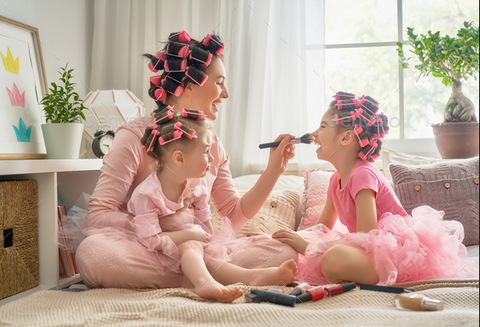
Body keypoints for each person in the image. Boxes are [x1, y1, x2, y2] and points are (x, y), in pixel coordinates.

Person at [75, 30, 298, 289]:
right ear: (191, 86)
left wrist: (274, 170)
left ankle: (205, 274)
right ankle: (219, 275)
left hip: (197, 247)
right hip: (145, 247)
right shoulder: (133, 137)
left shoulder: (211, 144)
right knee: (92, 254)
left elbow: (233, 215)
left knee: (285, 251)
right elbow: (98, 216)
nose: (225, 94)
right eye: (219, 82)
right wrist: (156, 226)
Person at [272, 91, 470, 286]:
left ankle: (369, 274)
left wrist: (310, 247)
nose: (314, 134)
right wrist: (295, 237)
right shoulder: (335, 180)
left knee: (332, 258)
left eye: (322, 127)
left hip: (390, 252)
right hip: (365, 251)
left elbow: (366, 236)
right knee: (328, 258)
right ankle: (352, 272)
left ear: (346, 137)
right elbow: (322, 228)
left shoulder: (362, 175)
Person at [125, 107, 298, 302]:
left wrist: (212, 243)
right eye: (207, 151)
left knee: (208, 256)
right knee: (190, 246)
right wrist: (191, 235)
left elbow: (203, 215)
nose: (213, 158)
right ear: (179, 158)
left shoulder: (195, 183)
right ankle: (204, 283)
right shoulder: (147, 195)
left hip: (193, 242)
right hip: (155, 247)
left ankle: (250, 276)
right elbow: (151, 240)